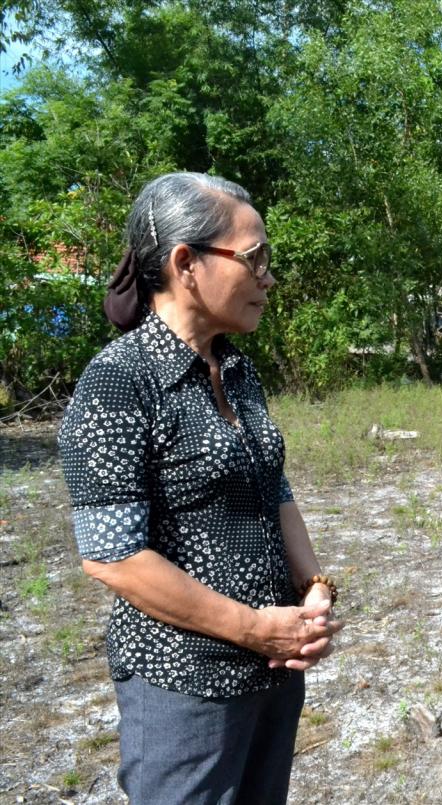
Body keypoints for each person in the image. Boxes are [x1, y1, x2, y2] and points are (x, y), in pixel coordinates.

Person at [58, 172, 344, 804]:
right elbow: (114, 558)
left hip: (273, 669)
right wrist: (256, 629)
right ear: (186, 263)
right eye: (254, 258)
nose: (269, 278)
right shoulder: (117, 382)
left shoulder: (238, 369)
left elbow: (275, 487)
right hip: (184, 684)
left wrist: (314, 592)